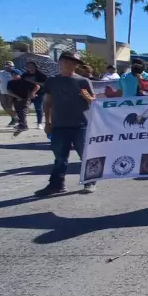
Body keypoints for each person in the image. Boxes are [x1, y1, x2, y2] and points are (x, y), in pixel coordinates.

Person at [37, 51, 96, 196]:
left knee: (86, 156)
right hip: (59, 125)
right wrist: (47, 122)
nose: (69, 65)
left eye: (73, 63)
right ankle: (57, 185)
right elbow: (48, 103)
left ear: (76, 65)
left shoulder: (83, 81)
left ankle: (90, 182)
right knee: (60, 158)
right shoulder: (52, 81)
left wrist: (87, 97)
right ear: (60, 62)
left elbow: (93, 102)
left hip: (81, 125)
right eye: (66, 61)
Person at [6, 68, 39, 136]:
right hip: (16, 99)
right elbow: (9, 92)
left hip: (26, 98)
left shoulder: (25, 81)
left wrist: (32, 93)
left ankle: (22, 125)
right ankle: (24, 125)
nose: (13, 76)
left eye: (15, 74)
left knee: (23, 111)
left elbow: (37, 86)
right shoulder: (11, 82)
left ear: (19, 75)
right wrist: (17, 97)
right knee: (18, 111)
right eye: (12, 74)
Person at [22, 61, 48, 129]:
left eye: (31, 66)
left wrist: (32, 81)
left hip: (39, 94)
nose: (30, 68)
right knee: (23, 108)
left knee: (38, 108)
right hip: (27, 94)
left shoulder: (41, 75)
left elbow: (44, 84)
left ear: (35, 67)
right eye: (28, 66)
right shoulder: (24, 75)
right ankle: (22, 123)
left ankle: (39, 123)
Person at [0, 61, 17, 127]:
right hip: (3, 92)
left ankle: (14, 119)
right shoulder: (1, 73)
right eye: (7, 66)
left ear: (13, 67)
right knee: (4, 106)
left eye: (10, 66)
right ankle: (15, 117)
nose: (8, 68)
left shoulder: (15, 73)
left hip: (11, 93)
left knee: (9, 107)